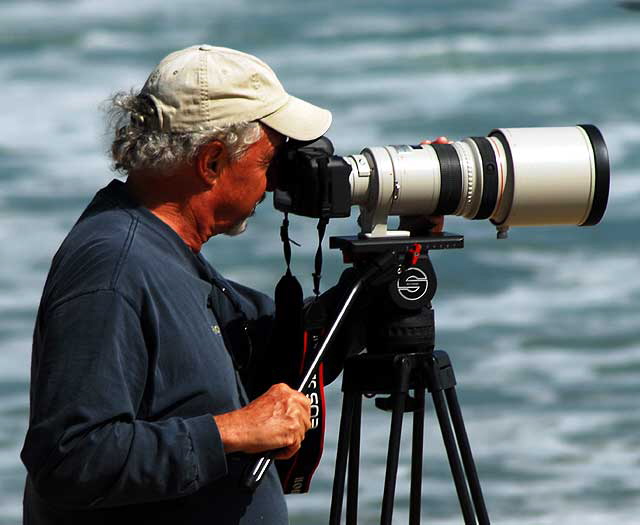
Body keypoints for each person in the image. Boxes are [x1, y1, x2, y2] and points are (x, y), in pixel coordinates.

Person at [20, 44, 335, 525]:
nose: (270, 186)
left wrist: (402, 256)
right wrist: (232, 431)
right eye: (267, 164)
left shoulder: (166, 254)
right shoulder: (114, 269)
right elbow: (70, 457)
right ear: (211, 162)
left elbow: (287, 346)